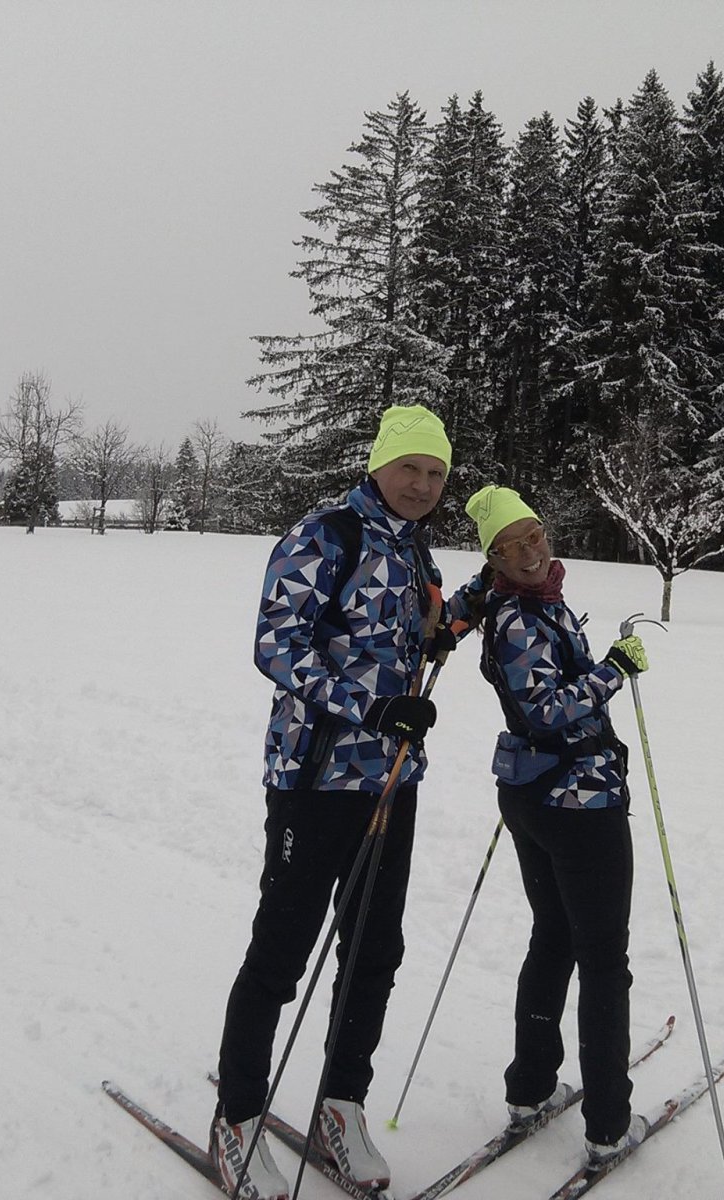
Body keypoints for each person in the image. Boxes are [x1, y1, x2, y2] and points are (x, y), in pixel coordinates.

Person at [212, 405, 453, 1200]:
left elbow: (410, 632)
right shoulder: (326, 535)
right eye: (410, 467)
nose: (422, 485)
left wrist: (449, 624)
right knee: (282, 953)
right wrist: (372, 707)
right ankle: (239, 1117)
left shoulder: (415, 546)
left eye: (436, 473)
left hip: (391, 784)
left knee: (374, 951)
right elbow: (277, 645)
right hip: (314, 779)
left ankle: (339, 1107)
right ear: (380, 464)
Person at [457, 483, 652, 1168]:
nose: (528, 553)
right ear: (495, 560)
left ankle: (531, 1088)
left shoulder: (533, 601)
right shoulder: (516, 618)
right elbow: (544, 710)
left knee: (556, 938)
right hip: (578, 804)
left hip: (538, 797)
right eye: (509, 549)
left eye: (532, 535)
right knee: (603, 961)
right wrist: (612, 671)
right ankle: (607, 1124)